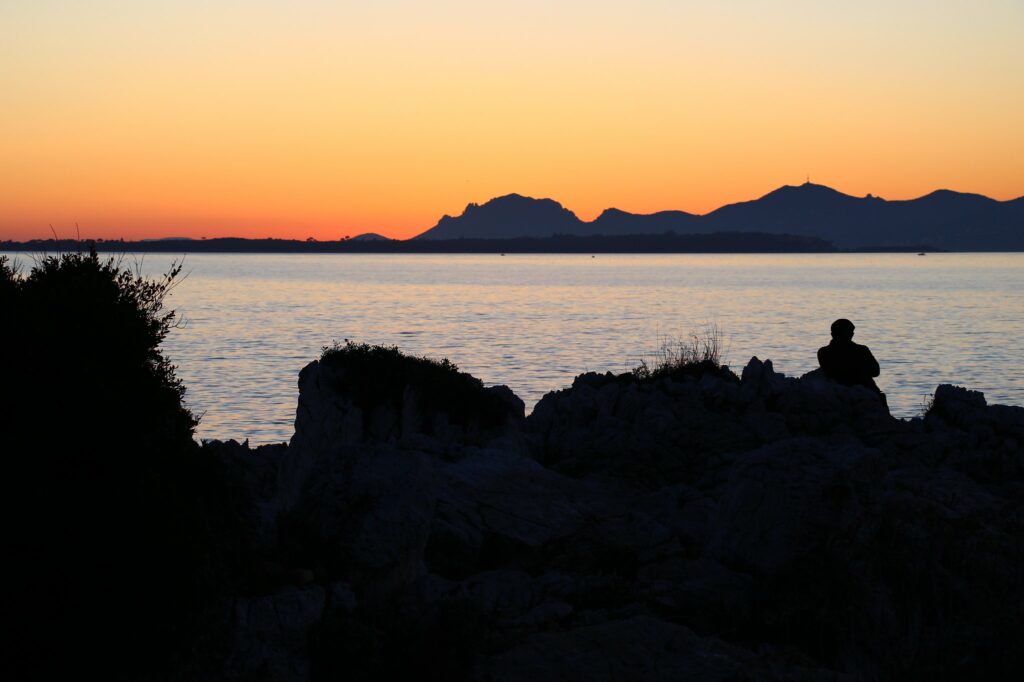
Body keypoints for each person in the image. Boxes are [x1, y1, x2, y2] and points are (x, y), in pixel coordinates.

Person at [817, 319, 884, 399]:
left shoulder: (824, 352)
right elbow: (832, 373)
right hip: (864, 393)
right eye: (848, 333)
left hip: (861, 393)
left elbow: (875, 372)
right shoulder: (861, 350)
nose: (851, 335)